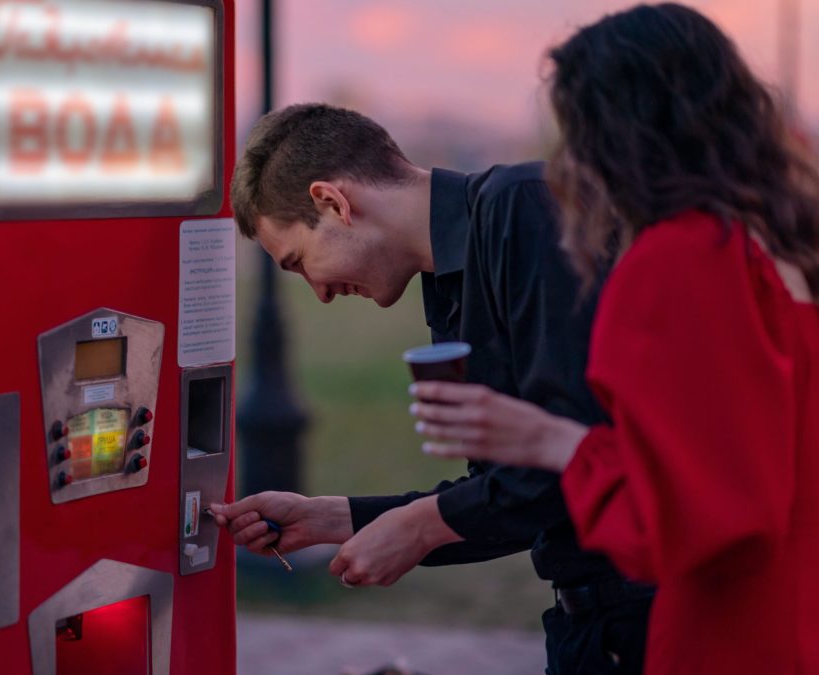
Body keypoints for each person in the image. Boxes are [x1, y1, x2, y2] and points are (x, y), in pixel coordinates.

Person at [406, 4, 819, 673]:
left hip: (725, 639)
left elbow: (690, 521)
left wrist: (547, 438)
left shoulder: (675, 263)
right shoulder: (780, 250)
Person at [213, 102, 653, 673]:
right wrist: (334, 518)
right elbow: (505, 494)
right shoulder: (448, 282)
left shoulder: (525, 207)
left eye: (298, 262)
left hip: (659, 615)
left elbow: (576, 452)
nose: (318, 292)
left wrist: (423, 527)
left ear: (333, 202)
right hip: (588, 626)